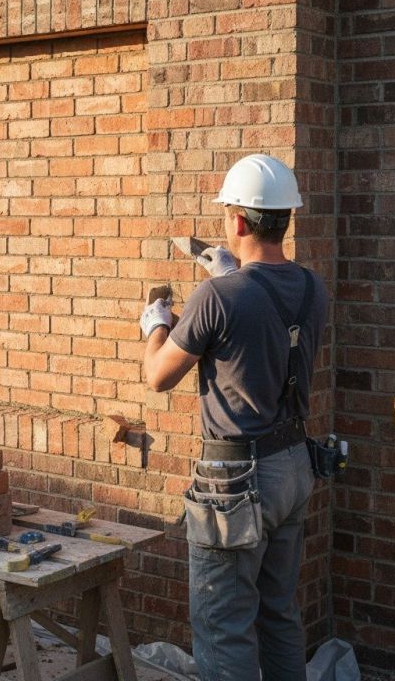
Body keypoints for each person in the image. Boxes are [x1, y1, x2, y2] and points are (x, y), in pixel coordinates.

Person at [140, 154, 328, 681]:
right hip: (294, 466)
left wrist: (156, 323)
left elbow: (158, 375)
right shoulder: (313, 289)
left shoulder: (217, 297)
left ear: (239, 222)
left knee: (224, 626)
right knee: (278, 614)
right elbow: (263, 330)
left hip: (237, 483)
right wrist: (231, 276)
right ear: (286, 218)